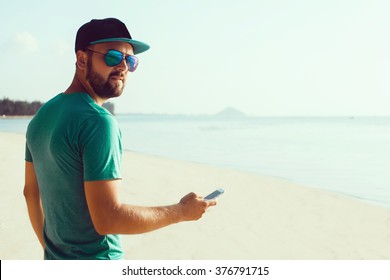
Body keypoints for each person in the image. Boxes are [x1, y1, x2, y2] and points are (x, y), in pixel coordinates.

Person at [23, 18, 216, 260]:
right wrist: (181, 212)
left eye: (131, 60)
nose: (123, 67)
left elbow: (30, 194)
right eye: (113, 57)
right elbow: (108, 218)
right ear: (82, 59)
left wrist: (52, 252)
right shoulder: (98, 121)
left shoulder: (41, 117)